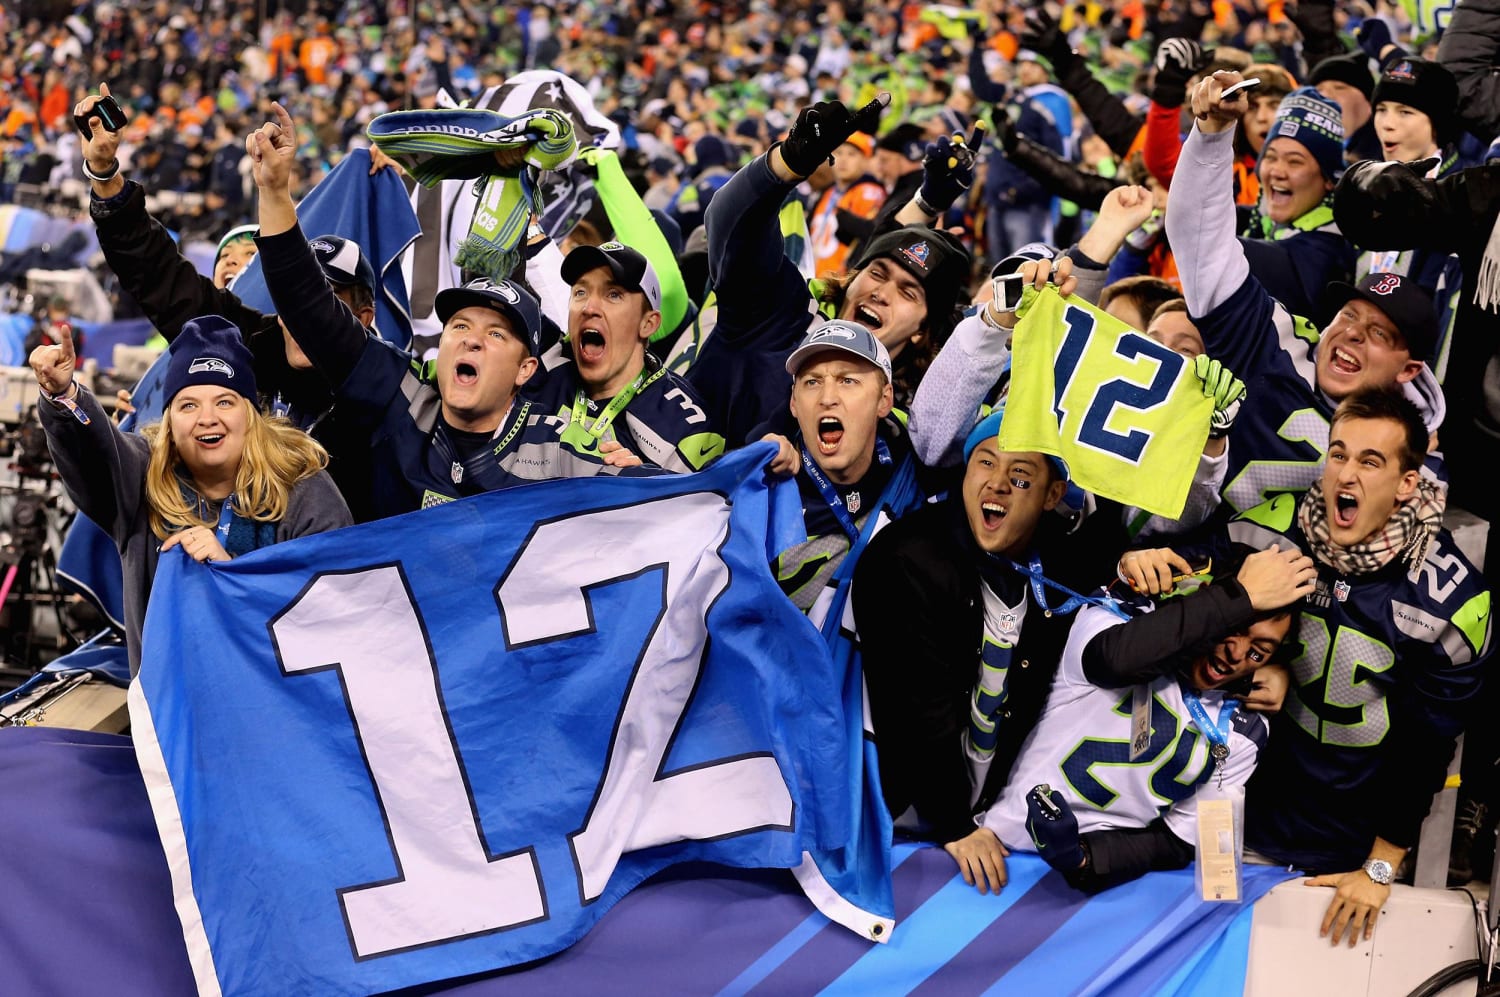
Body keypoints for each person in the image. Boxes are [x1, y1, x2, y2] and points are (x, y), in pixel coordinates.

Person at [1225, 390, 1491, 945]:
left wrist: (1379, 868)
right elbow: (1196, 643)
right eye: (1339, 454)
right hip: (1241, 816)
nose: (1347, 473)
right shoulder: (1267, 534)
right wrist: (1258, 665)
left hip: (1348, 852)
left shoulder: (1449, 598)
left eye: (1371, 462)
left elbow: (1426, 748)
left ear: (1406, 484)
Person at [77, 83, 384, 520]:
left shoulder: (389, 388)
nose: (305, 317)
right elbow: (161, 278)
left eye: (327, 303)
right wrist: (105, 174)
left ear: (364, 318)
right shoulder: (251, 347)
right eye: (298, 300)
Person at [852, 408, 1128, 885]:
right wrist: (953, 823)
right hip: (899, 816)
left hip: (991, 813)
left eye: (1020, 476)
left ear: (1053, 495)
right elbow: (913, 705)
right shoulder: (907, 557)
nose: (997, 483)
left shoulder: (1060, 560)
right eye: (984, 463)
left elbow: (1107, 559)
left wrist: (1137, 563)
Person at [1166, 71, 1445, 518]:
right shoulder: (1272, 341)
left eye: (1378, 333)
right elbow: (1201, 244)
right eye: (1350, 316)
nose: (1352, 334)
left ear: (1408, 369)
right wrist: (1213, 136)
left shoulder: (1415, 468)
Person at [976, 545, 1312, 894]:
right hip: (992, 855)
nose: (1237, 654)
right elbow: (1115, 662)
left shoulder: (1246, 730)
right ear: (1210, 600)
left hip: (1080, 891)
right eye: (1236, 628)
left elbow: (1176, 840)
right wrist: (1240, 598)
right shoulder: (1125, 622)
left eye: (1258, 651)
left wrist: (1083, 859)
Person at [30, 316, 351, 675]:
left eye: (225, 402)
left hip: (276, 709)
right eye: (188, 405)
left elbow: (331, 611)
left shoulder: (304, 488)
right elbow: (93, 452)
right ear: (169, 422)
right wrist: (63, 395)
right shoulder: (140, 479)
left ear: (250, 415)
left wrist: (232, 575)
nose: (207, 418)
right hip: (169, 715)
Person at [692, 95, 972, 445]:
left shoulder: (910, 420)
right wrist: (786, 164)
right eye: (877, 274)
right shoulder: (778, 319)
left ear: (921, 331)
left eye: (907, 292)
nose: (880, 293)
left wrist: (926, 205)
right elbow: (730, 224)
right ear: (853, 279)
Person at [760, 320, 927, 618]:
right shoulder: (761, 489)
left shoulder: (915, 453)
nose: (827, 398)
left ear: (884, 399)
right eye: (812, 382)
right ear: (794, 403)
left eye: (847, 381)